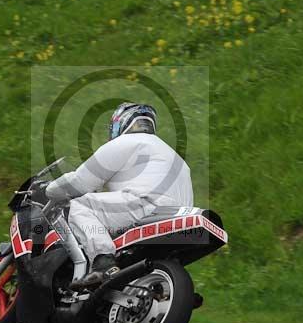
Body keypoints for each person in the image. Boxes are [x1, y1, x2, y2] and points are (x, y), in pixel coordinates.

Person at [43, 102, 193, 289]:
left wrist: (50, 190)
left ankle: (103, 261)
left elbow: (81, 182)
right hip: (177, 216)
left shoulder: (126, 142)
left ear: (120, 123)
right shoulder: (175, 157)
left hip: (145, 206)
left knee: (82, 205)